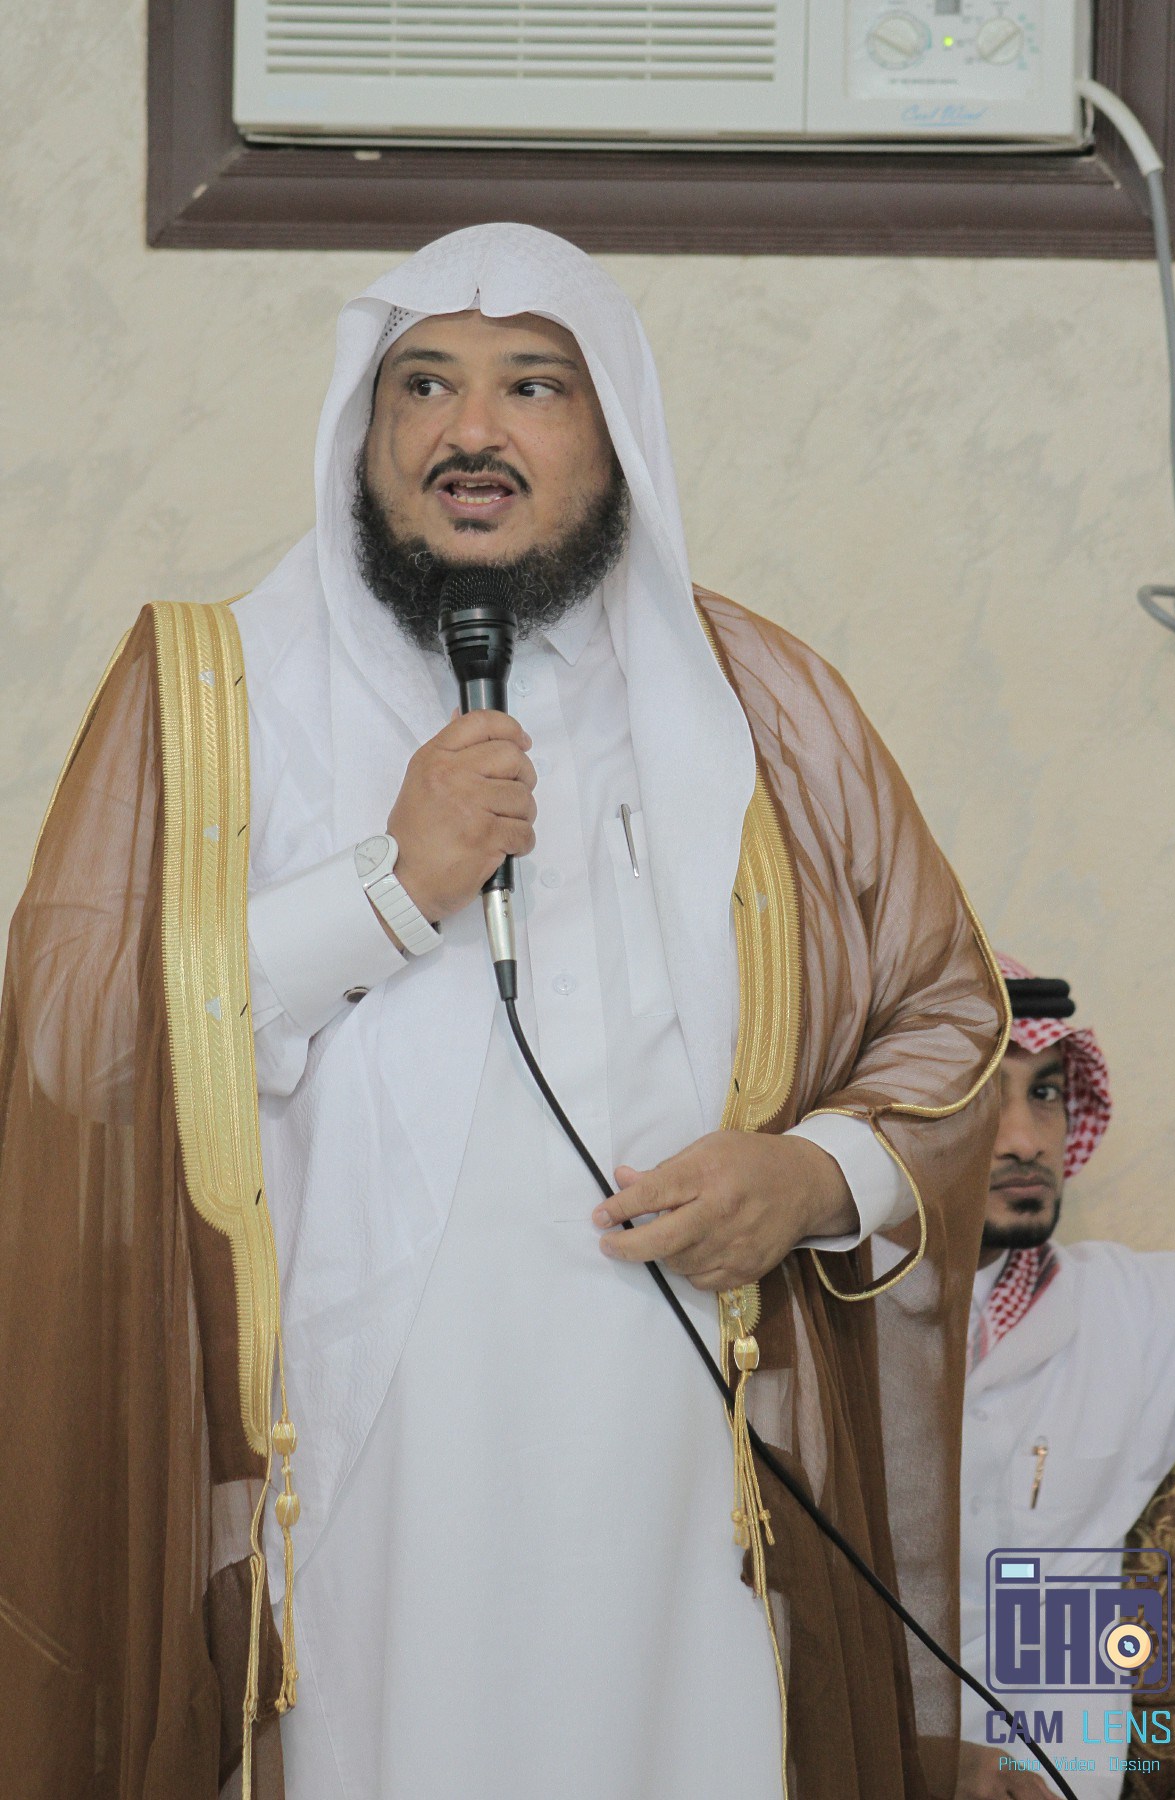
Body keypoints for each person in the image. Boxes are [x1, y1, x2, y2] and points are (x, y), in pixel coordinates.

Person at [0, 224, 1007, 1800]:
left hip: (674, 1460)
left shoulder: (764, 708)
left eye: (533, 385)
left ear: (616, 436)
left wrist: (813, 1177)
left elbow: (946, 1019)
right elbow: (80, 1050)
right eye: (423, 387)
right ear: (365, 431)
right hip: (358, 1470)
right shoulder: (216, 689)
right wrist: (390, 887)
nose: (470, 432)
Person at [957, 957, 1175, 1800]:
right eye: (982, 1096)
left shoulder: (1136, 1310)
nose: (1026, 1140)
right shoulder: (816, 1333)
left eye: (1046, 1093)